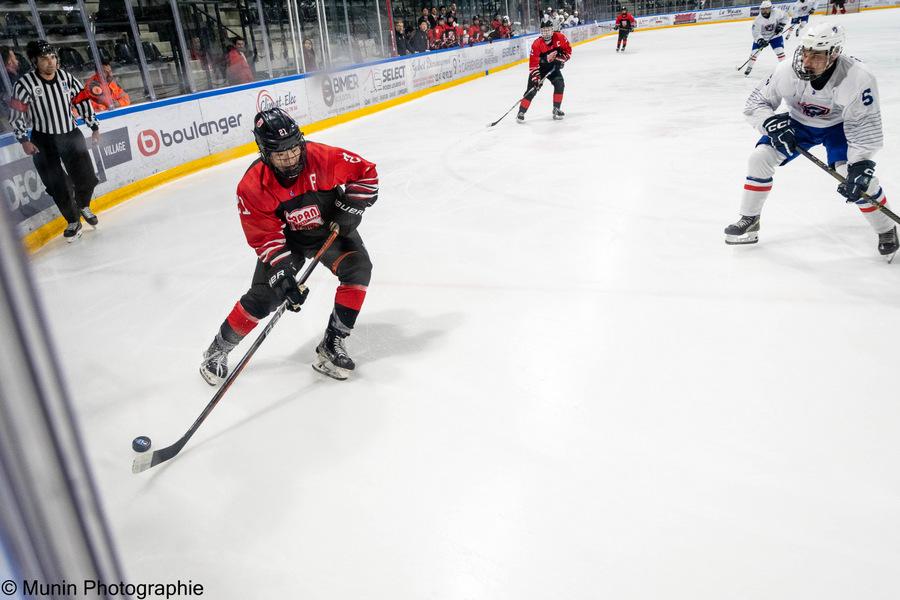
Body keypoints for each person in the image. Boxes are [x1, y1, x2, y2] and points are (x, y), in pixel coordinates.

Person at [199, 108, 379, 383]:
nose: (291, 159)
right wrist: (282, 274)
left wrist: (351, 207)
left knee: (358, 268)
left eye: (294, 150)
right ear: (264, 153)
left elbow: (366, 173)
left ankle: (333, 343)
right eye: (280, 155)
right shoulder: (252, 186)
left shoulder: (322, 157)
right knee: (267, 296)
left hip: (327, 229)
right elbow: (264, 235)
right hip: (287, 240)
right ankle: (218, 349)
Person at [724, 24, 897, 258]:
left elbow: (865, 124)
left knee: (853, 175)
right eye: (805, 52)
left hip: (839, 127)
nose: (807, 61)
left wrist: (860, 164)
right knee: (759, 158)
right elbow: (755, 104)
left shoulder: (858, 77)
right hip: (798, 123)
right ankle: (750, 219)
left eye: (816, 55)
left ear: (834, 53)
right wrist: (771, 124)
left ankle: (886, 228)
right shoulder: (786, 70)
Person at [8, 40, 100, 242]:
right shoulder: (24, 84)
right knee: (57, 184)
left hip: (70, 134)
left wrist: (94, 126)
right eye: (44, 59)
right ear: (34, 61)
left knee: (86, 177)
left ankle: (83, 205)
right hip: (43, 140)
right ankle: (73, 221)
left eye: (53, 57)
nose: (50, 62)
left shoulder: (67, 78)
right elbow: (16, 115)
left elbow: (82, 101)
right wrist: (24, 139)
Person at [517, 18, 571, 122]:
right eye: (543, 30)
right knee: (531, 90)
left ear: (552, 30)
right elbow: (533, 64)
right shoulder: (536, 44)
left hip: (552, 68)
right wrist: (536, 77)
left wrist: (560, 60)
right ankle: (521, 112)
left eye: (548, 30)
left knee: (560, 84)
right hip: (540, 69)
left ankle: (556, 109)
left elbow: (568, 51)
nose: (546, 33)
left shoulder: (560, 37)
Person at [743, 0, 789, 76]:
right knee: (754, 54)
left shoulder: (776, 12)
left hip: (775, 36)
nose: (764, 10)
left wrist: (781, 25)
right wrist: (760, 40)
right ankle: (749, 67)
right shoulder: (758, 20)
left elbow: (785, 16)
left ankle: (784, 69)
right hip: (763, 37)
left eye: (766, 8)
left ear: (770, 8)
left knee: (780, 52)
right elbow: (756, 33)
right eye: (763, 9)